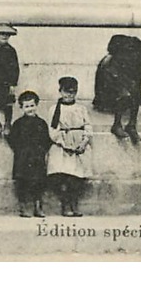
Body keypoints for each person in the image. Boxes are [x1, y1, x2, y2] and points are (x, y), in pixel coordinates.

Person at [93, 34, 141, 142]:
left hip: (118, 77)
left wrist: (140, 98)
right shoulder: (135, 43)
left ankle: (131, 126)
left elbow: (137, 79)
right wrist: (112, 52)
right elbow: (115, 39)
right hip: (109, 74)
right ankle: (116, 125)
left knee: (135, 97)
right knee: (124, 94)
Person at [47, 76, 93, 217]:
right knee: (64, 175)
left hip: (79, 145)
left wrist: (84, 142)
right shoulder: (55, 109)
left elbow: (88, 125)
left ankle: (74, 203)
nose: (69, 95)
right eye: (66, 92)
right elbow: (53, 130)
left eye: (72, 92)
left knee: (77, 177)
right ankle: (66, 204)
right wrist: (64, 143)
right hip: (62, 147)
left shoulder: (81, 109)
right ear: (60, 91)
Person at [7, 90, 52, 217]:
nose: (30, 109)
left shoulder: (41, 123)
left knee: (38, 182)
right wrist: (21, 150)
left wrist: (42, 150)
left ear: (36, 105)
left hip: (37, 157)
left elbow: (46, 139)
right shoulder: (18, 124)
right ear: (21, 108)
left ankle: (38, 207)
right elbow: (12, 139)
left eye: (32, 105)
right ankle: (24, 207)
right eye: (26, 106)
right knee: (23, 182)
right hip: (23, 158)